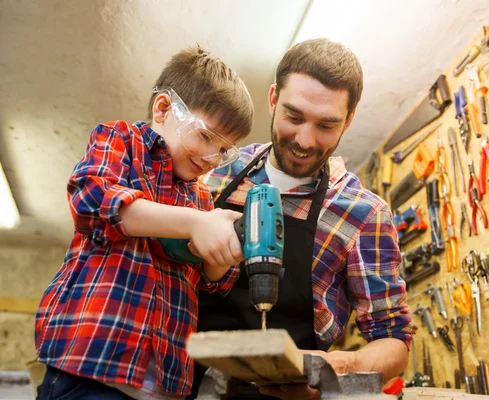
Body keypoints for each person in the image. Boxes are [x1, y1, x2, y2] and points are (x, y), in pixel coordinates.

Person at [194, 38, 416, 399]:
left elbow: (393, 339)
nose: (304, 140)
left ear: (349, 119)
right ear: (272, 100)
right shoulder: (212, 171)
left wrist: (338, 372)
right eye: (293, 117)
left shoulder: (364, 214)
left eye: (326, 125)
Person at [34, 45, 254, 400]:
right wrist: (195, 223)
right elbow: (92, 199)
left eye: (224, 149)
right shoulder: (121, 141)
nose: (214, 158)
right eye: (206, 136)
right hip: (91, 370)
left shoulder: (201, 199)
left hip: (164, 385)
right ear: (164, 108)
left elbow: (213, 280)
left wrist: (222, 246)